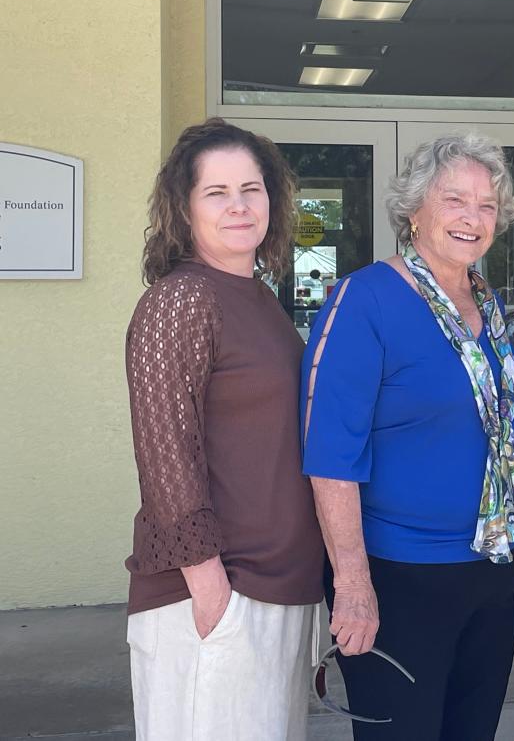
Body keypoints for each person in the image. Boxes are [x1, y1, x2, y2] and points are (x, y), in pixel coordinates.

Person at [300, 133, 514, 739]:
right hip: (398, 578)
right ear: (414, 210)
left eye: (487, 205)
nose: (472, 217)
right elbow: (331, 452)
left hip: (491, 570)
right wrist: (353, 585)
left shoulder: (488, 307)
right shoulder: (365, 300)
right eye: (454, 199)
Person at [123, 118, 324, 741]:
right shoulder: (180, 300)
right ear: (185, 209)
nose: (238, 206)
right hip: (217, 592)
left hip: (280, 585)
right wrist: (210, 590)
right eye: (216, 192)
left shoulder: (259, 298)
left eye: (252, 189)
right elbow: (165, 455)